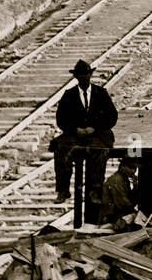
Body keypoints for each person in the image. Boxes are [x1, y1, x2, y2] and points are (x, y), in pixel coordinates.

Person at [51, 60, 119, 219]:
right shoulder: (69, 95)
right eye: (80, 76)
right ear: (76, 77)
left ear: (90, 75)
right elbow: (61, 119)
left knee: (100, 152)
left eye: (86, 75)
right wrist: (75, 129)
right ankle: (63, 189)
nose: (84, 78)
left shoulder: (101, 93)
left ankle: (95, 191)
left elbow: (112, 116)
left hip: (97, 133)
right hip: (75, 135)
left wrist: (94, 128)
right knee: (61, 149)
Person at [100, 157, 139, 227]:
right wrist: (136, 213)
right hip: (111, 218)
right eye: (130, 167)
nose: (133, 171)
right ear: (122, 166)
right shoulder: (117, 179)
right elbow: (122, 204)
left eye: (135, 168)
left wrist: (135, 187)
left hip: (119, 215)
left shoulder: (125, 179)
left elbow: (130, 200)